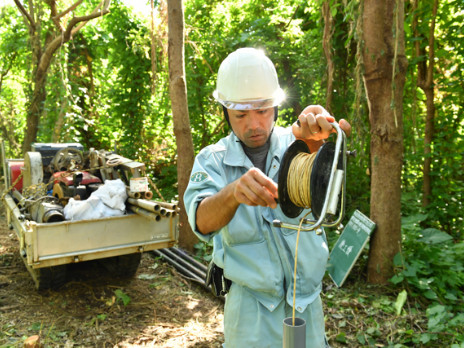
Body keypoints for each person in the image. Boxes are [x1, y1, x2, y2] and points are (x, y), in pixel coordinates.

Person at [184, 47, 351, 348]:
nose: (254, 124)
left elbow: (327, 179)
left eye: (262, 110)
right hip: (251, 311)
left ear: (275, 105)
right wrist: (233, 193)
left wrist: (321, 143)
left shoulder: (300, 144)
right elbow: (201, 220)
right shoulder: (212, 161)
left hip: (306, 304)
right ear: (225, 112)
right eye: (240, 114)